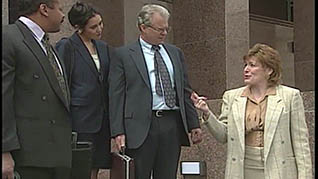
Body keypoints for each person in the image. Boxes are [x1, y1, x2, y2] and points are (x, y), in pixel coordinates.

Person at [108, 4, 203, 179]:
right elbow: (116, 95)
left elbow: (184, 90)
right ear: (143, 27)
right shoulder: (123, 55)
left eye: (167, 29)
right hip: (140, 126)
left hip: (171, 123)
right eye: (159, 29)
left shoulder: (175, 53)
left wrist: (193, 123)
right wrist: (117, 131)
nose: (164, 33)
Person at [191, 43, 312, 179]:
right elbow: (223, 135)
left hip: (279, 169)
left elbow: (301, 144)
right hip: (243, 169)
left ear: (269, 70)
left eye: (252, 65)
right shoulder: (232, 97)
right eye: (245, 65)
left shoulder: (290, 96)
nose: (246, 70)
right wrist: (207, 112)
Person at [2, 0, 72, 179]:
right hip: (27, 159)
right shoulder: (10, 38)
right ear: (44, 9)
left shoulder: (47, 46)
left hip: (57, 157)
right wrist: (4, 151)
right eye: (60, 9)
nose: (63, 16)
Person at [55, 2, 112, 179]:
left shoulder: (103, 47)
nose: (99, 29)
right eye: (93, 26)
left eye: (101, 24)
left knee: (96, 163)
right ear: (79, 27)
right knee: (80, 165)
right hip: (80, 117)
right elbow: (62, 82)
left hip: (102, 116)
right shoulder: (67, 47)